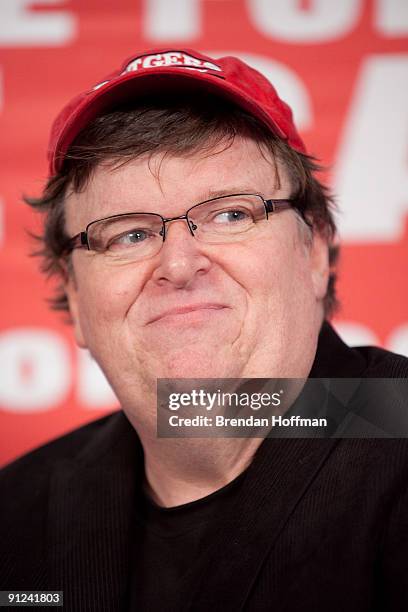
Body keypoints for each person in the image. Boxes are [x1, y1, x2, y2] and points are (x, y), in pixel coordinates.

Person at [1, 48, 407, 611]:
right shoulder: (15, 510)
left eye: (231, 214)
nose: (179, 263)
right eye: (128, 234)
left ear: (314, 252)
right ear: (74, 293)